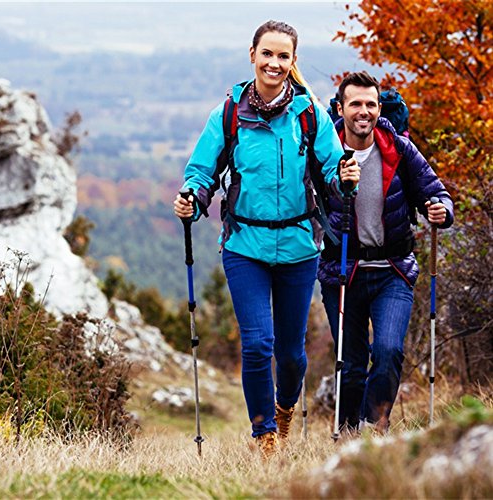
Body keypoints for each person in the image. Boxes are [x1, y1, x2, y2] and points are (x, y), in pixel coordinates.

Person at [174, 20, 359, 456]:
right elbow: (202, 171)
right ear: (252, 55)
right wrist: (193, 200)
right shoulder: (229, 114)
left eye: (283, 56)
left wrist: (345, 178)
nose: (274, 63)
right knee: (258, 344)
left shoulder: (309, 112)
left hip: (298, 246)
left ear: (293, 62)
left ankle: (284, 409)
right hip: (245, 247)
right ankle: (263, 437)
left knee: (292, 355)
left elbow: (333, 168)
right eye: (267, 54)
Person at [318, 71, 454, 434]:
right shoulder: (325, 150)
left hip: (392, 269)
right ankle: (347, 436)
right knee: (350, 363)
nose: (364, 111)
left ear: (380, 108)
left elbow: (435, 191)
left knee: (389, 351)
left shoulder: (398, 147)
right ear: (341, 108)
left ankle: (372, 428)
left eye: (371, 104)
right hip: (341, 271)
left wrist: (441, 209)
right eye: (356, 104)